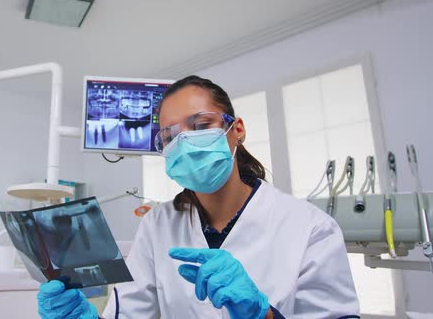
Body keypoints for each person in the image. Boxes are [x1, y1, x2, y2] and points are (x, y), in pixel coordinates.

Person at [36, 76, 359, 318]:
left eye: (201, 125)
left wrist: (264, 315)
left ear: (238, 130)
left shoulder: (310, 227)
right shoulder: (157, 225)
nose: (186, 143)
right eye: (170, 136)